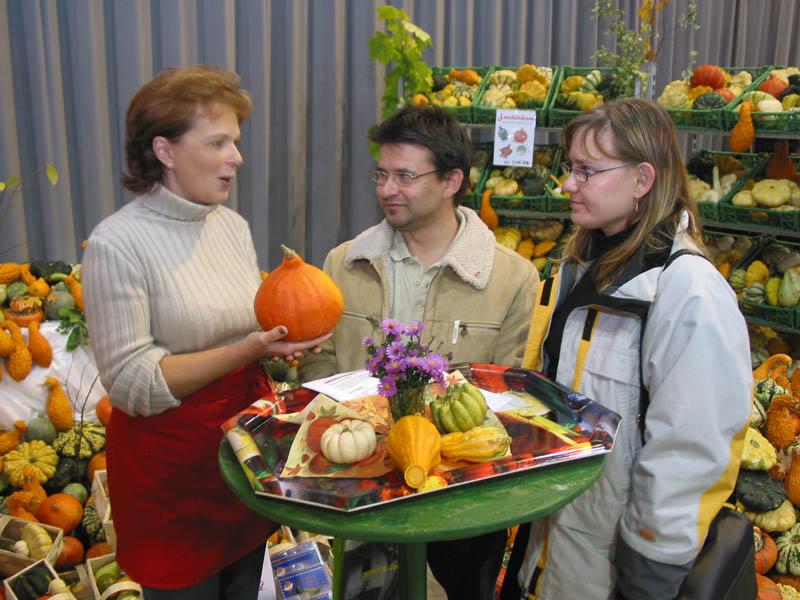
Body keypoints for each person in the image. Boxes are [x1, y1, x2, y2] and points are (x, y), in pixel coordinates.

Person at [83, 65, 330, 599]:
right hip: (170, 475)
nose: (236, 157)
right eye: (218, 142)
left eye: (235, 141)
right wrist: (248, 348)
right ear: (166, 151)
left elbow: (245, 329)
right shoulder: (116, 244)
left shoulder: (232, 227)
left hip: (239, 456)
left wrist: (275, 349)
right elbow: (131, 383)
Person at [500, 98, 752, 599]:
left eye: (586, 171)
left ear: (642, 179)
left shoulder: (688, 293)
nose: (567, 184)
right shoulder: (576, 269)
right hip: (552, 549)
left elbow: (689, 452)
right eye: (570, 167)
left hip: (615, 568)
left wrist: (649, 572)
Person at [300, 105, 539, 599]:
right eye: (381, 174)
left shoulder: (512, 278)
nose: (388, 189)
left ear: (451, 181)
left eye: (405, 176)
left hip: (461, 493)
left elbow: (503, 388)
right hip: (363, 484)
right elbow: (320, 362)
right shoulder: (344, 263)